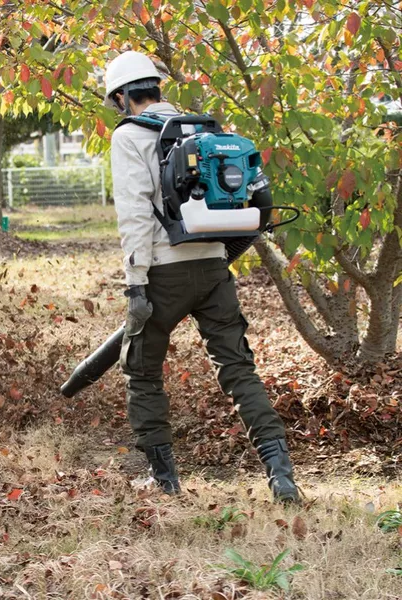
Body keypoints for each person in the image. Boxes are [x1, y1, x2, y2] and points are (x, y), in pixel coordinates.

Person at [105, 50, 300, 503]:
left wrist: (135, 283)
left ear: (122, 97)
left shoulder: (129, 136)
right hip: (213, 264)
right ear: (156, 87)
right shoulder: (203, 130)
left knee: (142, 371)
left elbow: (134, 214)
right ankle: (281, 474)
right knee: (238, 368)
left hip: (162, 270)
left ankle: (164, 480)